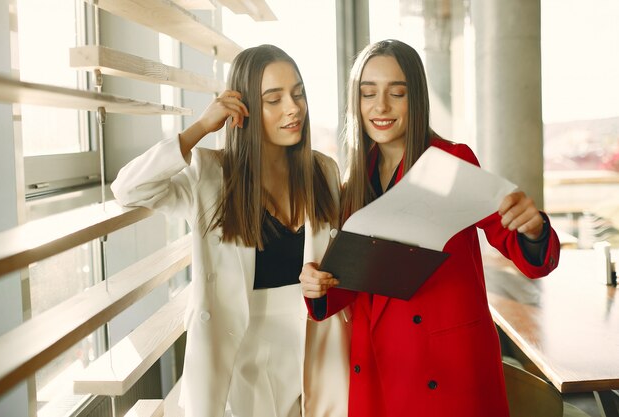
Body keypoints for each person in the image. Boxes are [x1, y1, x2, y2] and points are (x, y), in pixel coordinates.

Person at [299, 39, 560, 417]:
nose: (380, 107)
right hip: (379, 364)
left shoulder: (449, 161)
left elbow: (515, 241)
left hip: (446, 366)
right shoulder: (353, 184)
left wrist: (532, 231)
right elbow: (354, 280)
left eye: (396, 93)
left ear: (415, 98)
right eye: (367, 93)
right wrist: (317, 286)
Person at [112, 44, 350, 417]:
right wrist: (200, 128)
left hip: (311, 347)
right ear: (244, 110)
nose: (293, 108)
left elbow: (340, 263)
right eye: (274, 99)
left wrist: (325, 282)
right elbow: (129, 190)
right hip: (239, 356)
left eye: (298, 93)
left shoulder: (324, 171)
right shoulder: (210, 176)